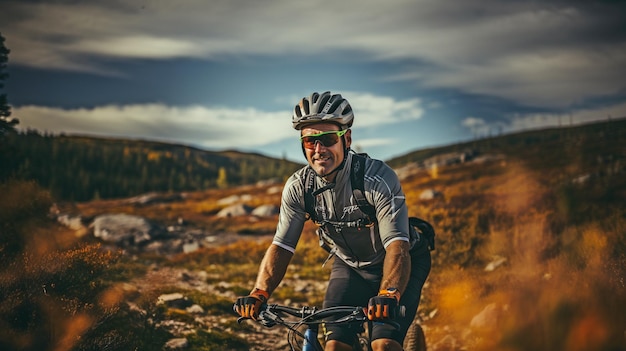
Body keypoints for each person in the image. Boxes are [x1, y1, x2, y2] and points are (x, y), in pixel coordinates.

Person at [234, 91, 431, 351]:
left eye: (327, 139)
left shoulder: (377, 179)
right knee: (335, 346)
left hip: (401, 263)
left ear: (346, 139)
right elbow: (281, 246)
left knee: (383, 344)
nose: (319, 150)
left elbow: (397, 245)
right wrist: (259, 293)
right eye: (309, 141)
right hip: (350, 266)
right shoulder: (299, 187)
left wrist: (388, 294)